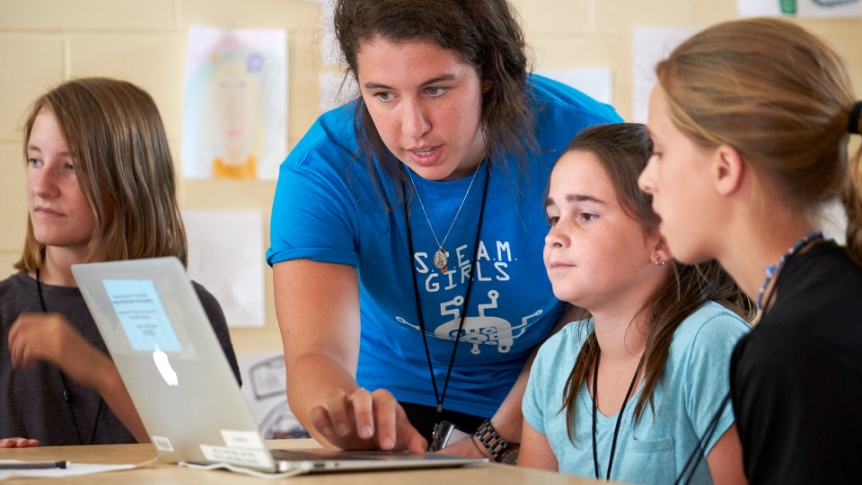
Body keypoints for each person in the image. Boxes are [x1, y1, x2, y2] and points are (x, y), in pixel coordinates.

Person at [267, 0, 621, 457]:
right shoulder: (323, 168)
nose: (413, 127)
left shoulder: (584, 141)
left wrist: (493, 439)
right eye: (383, 95)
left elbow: (602, 314)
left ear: (489, 74)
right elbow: (314, 358)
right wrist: (347, 417)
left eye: (436, 90)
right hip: (391, 404)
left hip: (545, 394)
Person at [637, 18, 862, 484]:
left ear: (724, 168)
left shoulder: (793, 349)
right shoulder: (828, 296)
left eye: (659, 151)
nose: (646, 179)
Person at [0, 77, 241, 448]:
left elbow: (210, 456)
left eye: (71, 167)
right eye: (35, 160)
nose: (41, 186)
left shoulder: (184, 310)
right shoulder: (4, 309)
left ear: (130, 180)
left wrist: (99, 371)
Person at [518, 123, 752, 484]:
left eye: (586, 215)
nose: (555, 236)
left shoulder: (711, 342)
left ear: (662, 239)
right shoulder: (555, 359)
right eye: (554, 216)